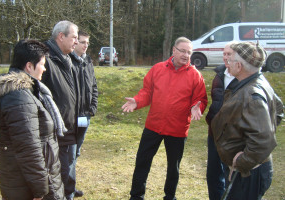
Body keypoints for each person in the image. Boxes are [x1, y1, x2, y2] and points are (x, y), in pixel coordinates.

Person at [122, 37, 208, 200]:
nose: (186, 55)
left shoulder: (195, 75)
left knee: (173, 167)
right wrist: (137, 101)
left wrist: (197, 106)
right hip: (153, 125)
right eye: (182, 51)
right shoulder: (158, 69)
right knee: (142, 161)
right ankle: (136, 196)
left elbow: (201, 99)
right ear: (173, 50)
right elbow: (147, 92)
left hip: (177, 129)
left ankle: (170, 196)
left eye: (189, 52)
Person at [0, 39, 65, 200]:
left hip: (30, 180)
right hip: (29, 187)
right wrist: (40, 190)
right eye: (42, 64)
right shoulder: (19, 98)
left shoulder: (26, 92)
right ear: (29, 66)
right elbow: (29, 149)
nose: (44, 68)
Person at [211, 41, 284, 200]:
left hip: (249, 173)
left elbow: (263, 140)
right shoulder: (256, 81)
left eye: (230, 61)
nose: (227, 64)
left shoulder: (252, 95)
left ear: (239, 65)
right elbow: (278, 111)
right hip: (248, 171)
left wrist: (242, 161)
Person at [41, 20, 81, 200]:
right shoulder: (45, 60)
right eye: (74, 37)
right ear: (60, 36)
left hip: (70, 130)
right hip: (54, 135)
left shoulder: (68, 59)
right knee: (57, 178)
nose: (77, 42)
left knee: (66, 174)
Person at [205, 42, 238, 200]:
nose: (225, 57)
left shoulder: (245, 78)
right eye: (224, 53)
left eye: (229, 54)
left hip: (233, 137)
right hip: (214, 134)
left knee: (231, 175)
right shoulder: (219, 74)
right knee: (213, 174)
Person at [70, 31, 98, 197]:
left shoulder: (88, 61)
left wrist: (92, 107)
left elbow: (93, 86)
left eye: (87, 42)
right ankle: (67, 189)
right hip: (71, 117)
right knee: (69, 152)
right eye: (82, 42)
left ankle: (70, 186)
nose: (85, 45)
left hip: (84, 116)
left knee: (76, 152)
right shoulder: (68, 61)